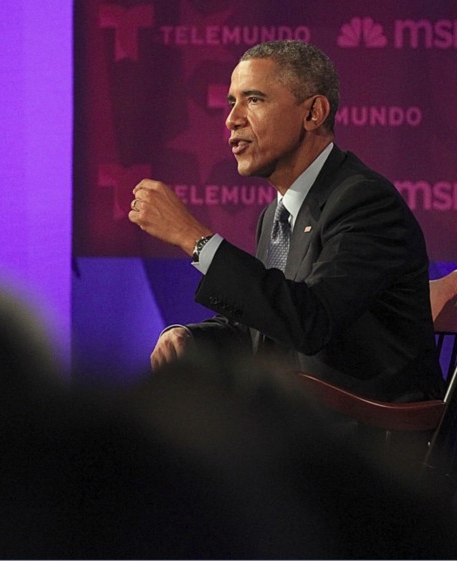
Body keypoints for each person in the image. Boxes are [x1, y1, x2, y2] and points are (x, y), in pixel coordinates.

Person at [128, 40, 443, 403]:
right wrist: (191, 337)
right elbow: (263, 328)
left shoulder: (364, 202)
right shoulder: (277, 215)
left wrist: (194, 238)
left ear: (313, 113)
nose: (232, 119)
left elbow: (311, 322)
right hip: (301, 428)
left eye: (254, 99)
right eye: (232, 102)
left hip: (368, 441)